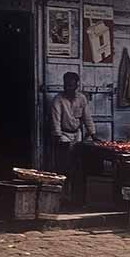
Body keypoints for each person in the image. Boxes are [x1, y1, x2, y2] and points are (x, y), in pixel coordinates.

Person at [51, 71, 97, 202]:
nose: (68, 88)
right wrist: (58, 136)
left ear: (76, 85)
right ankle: (63, 196)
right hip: (63, 135)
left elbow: (87, 117)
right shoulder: (58, 100)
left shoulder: (81, 98)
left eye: (71, 85)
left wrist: (92, 133)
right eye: (66, 85)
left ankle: (76, 196)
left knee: (78, 166)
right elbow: (56, 120)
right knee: (64, 167)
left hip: (77, 134)